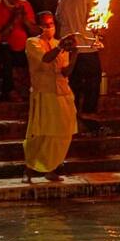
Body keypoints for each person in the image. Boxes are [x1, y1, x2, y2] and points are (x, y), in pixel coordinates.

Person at [23, 11, 77, 182]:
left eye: (52, 24)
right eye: (46, 25)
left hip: (63, 92)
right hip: (44, 93)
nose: (50, 27)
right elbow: (45, 59)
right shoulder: (32, 43)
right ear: (40, 26)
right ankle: (29, 170)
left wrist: (75, 53)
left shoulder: (58, 43)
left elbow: (66, 71)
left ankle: (52, 168)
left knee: (64, 132)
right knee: (41, 133)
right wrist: (60, 47)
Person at [55, 0, 104, 127]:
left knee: (74, 81)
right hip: (87, 46)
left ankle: (73, 114)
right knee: (92, 81)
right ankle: (88, 113)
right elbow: (95, 20)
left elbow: (58, 17)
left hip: (69, 46)